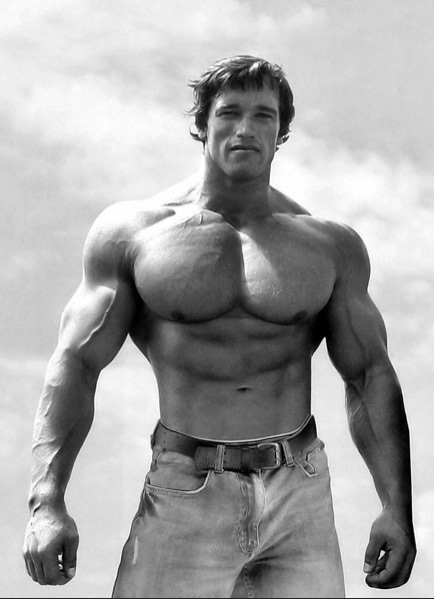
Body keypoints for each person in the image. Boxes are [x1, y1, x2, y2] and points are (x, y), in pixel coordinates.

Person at [23, 55, 416, 598]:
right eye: (230, 113)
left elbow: (369, 375)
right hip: (184, 487)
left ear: (282, 133)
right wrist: (46, 502)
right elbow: (77, 363)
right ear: (202, 125)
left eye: (263, 116)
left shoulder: (328, 246)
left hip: (300, 491)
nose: (246, 128)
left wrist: (396, 508)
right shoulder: (135, 235)